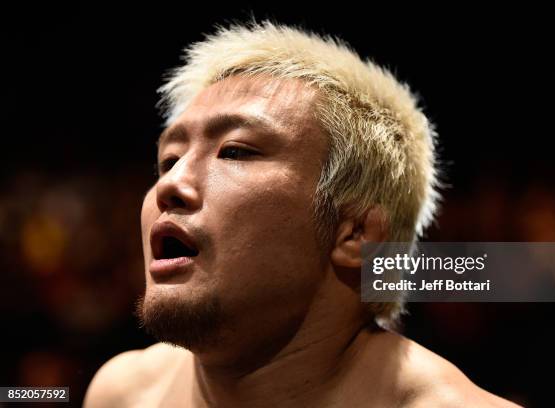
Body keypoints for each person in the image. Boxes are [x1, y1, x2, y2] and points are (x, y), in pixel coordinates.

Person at [85, 21, 519, 407]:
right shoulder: (123, 393)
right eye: (168, 160)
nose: (170, 185)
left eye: (234, 150)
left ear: (355, 234)